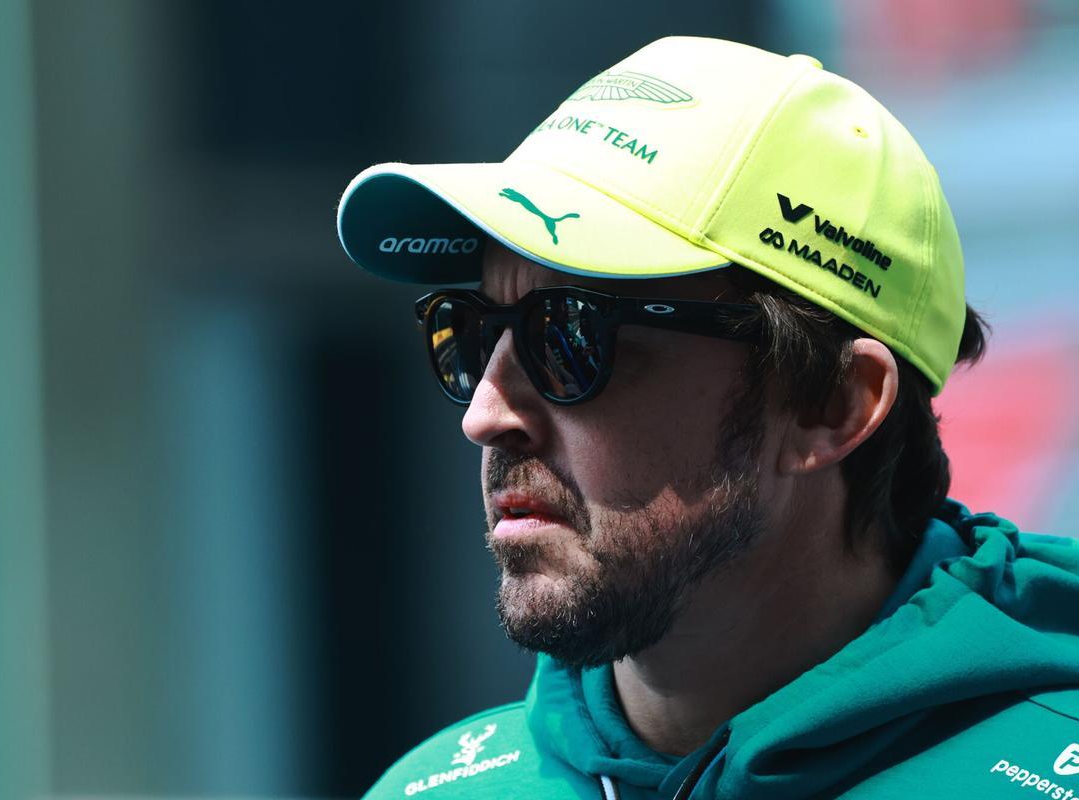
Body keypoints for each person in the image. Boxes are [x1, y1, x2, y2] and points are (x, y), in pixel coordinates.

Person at [334, 37, 1079, 799]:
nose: (486, 415)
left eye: (570, 336)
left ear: (832, 404)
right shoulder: (433, 789)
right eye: (471, 332)